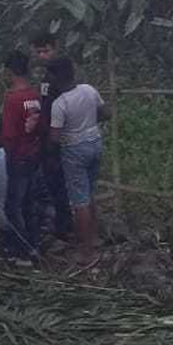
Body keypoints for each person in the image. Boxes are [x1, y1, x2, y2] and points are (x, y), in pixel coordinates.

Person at [46, 56, 110, 264]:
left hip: (74, 150)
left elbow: (55, 137)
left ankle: (86, 252)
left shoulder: (59, 104)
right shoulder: (89, 89)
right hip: (95, 142)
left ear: (55, 77)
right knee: (90, 193)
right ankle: (95, 238)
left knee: (79, 201)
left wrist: (52, 156)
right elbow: (105, 113)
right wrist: (89, 122)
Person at [0, 49, 43, 261]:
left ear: (9, 72)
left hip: (18, 157)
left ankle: (21, 250)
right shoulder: (35, 95)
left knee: (12, 206)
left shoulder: (12, 99)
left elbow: (8, 134)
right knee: (29, 203)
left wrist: (8, 154)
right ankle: (34, 244)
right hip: (34, 155)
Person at [29, 33, 73, 244]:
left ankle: (64, 226)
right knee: (57, 183)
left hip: (56, 138)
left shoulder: (56, 77)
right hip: (55, 136)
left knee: (57, 182)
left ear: (55, 47)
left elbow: (53, 110)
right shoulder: (50, 77)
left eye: (46, 50)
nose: (42, 55)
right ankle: (63, 223)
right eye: (38, 52)